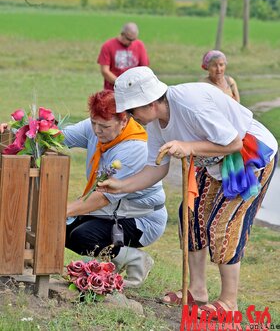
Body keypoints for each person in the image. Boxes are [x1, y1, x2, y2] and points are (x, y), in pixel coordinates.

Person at [96, 66, 278, 314]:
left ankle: (228, 302)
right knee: (190, 216)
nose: (129, 115)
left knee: (222, 225)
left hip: (249, 154)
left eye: (131, 109)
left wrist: (188, 146)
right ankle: (198, 290)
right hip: (214, 160)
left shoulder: (190, 105)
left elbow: (234, 142)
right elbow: (156, 169)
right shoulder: (154, 122)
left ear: (149, 102)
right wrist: (121, 186)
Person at [0, 90, 168, 288]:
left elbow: (102, 198)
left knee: (82, 236)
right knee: (60, 229)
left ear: (124, 121)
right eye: (94, 123)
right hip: (111, 210)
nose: (97, 130)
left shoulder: (135, 147)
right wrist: (17, 131)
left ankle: (135, 259)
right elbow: (58, 138)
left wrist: (61, 212)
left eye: (104, 126)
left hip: (141, 218)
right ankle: (115, 261)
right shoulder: (94, 128)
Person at [97, 22, 149, 91]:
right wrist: (121, 84)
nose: (131, 42)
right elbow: (105, 71)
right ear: (122, 34)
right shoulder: (108, 46)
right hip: (113, 91)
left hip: (134, 90)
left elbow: (144, 69)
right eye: (129, 39)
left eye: (134, 40)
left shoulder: (139, 45)